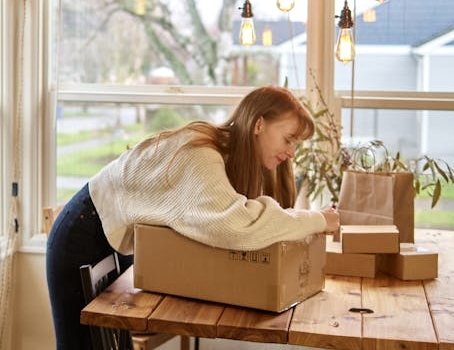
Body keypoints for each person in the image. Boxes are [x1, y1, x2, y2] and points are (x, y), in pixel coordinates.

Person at [45, 85, 341, 350]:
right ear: (259, 124)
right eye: (289, 139)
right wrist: (317, 220)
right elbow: (239, 226)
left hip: (111, 236)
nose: (291, 152)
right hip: (82, 232)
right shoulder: (202, 155)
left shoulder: (226, 156)